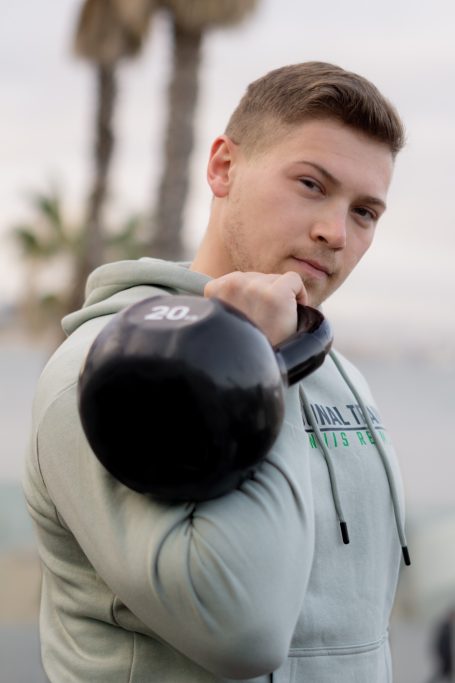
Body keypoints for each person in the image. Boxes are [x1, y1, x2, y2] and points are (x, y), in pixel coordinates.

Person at [24, 61, 409, 682]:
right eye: (312, 184)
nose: (334, 233)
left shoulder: (337, 371)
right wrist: (259, 356)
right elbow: (243, 636)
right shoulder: (113, 368)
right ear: (223, 167)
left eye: (365, 212)